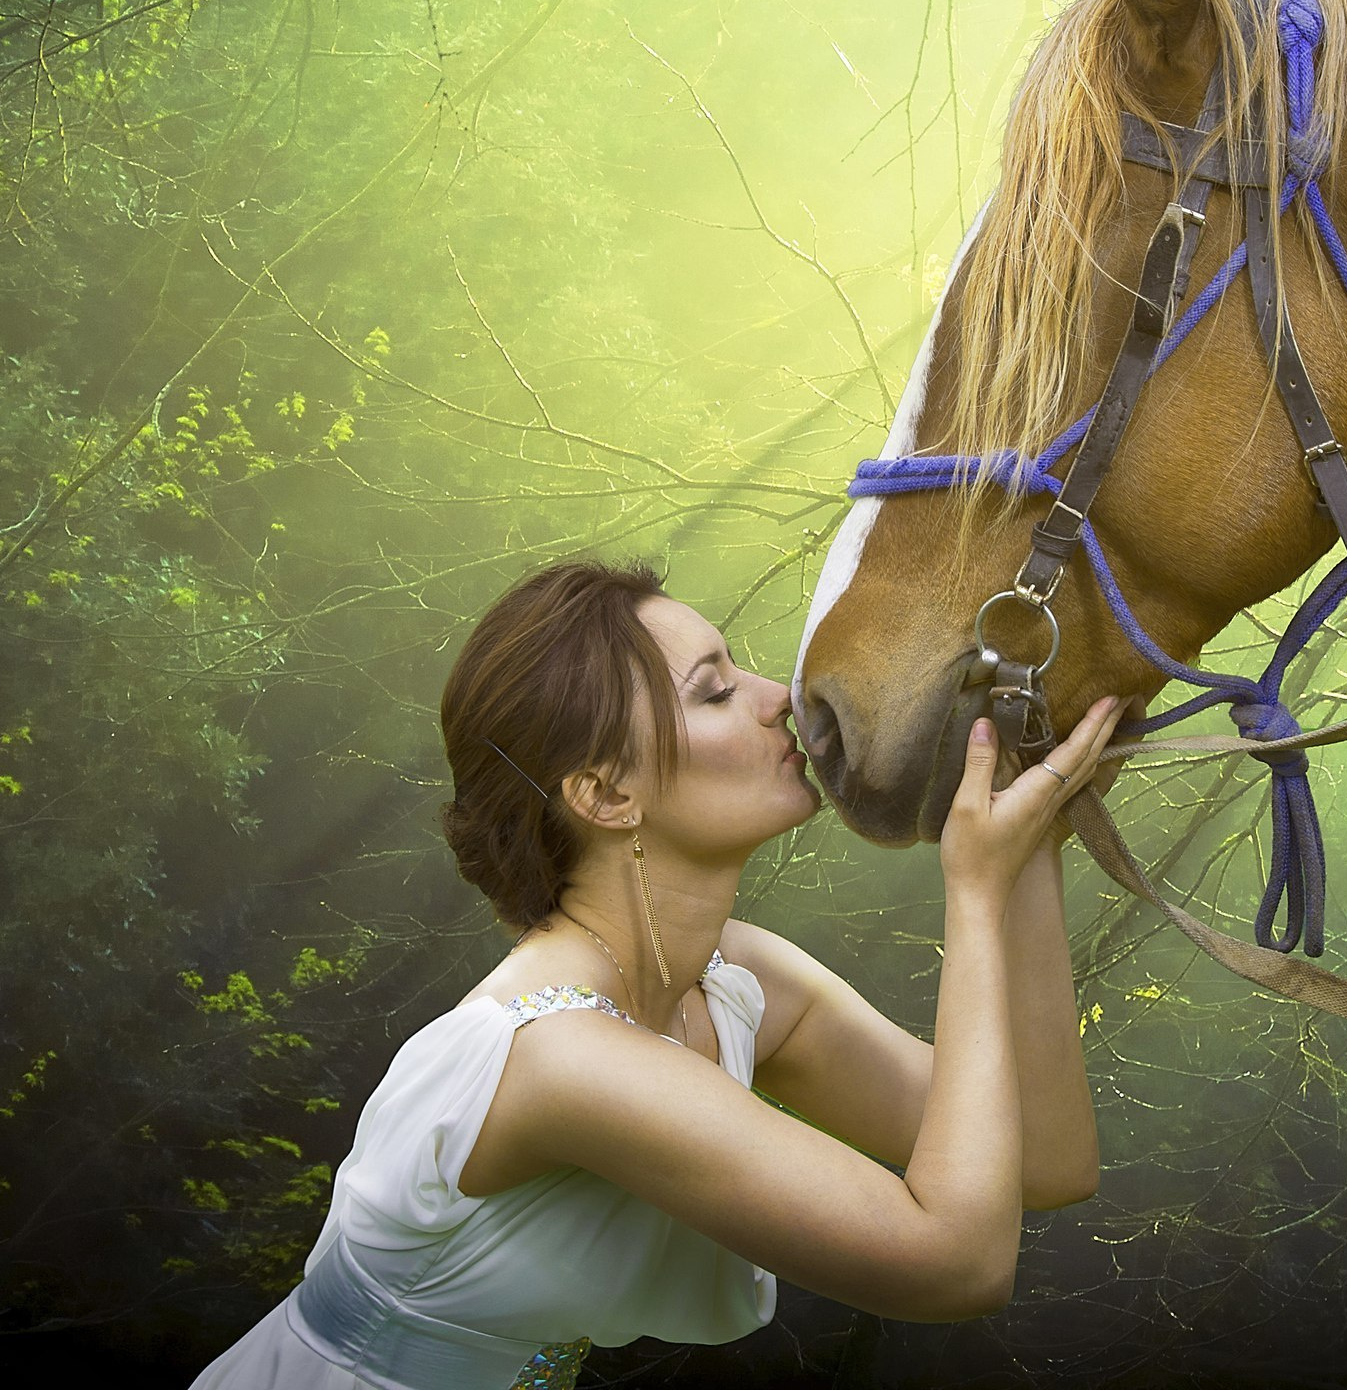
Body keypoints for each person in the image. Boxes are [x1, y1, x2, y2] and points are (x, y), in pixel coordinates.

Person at [191, 558, 1124, 1390]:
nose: (779, 697)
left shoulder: (735, 982)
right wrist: (971, 888)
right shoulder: (559, 1056)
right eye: (715, 693)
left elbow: (1045, 1159)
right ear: (605, 793)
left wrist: (1027, 832)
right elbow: (955, 1263)